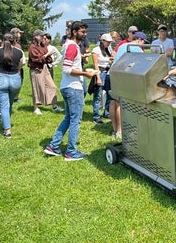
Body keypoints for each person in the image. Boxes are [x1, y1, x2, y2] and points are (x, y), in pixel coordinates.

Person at [44, 21, 99, 161]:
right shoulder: (72, 46)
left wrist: (82, 59)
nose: (85, 35)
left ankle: (53, 146)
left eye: (85, 32)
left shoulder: (70, 45)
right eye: (82, 32)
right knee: (76, 120)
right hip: (73, 88)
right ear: (74, 32)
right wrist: (85, 74)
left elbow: (70, 62)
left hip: (67, 86)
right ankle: (71, 152)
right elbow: (67, 69)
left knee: (69, 118)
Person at [110, 31, 149, 139]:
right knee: (120, 103)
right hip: (121, 77)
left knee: (113, 101)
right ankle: (120, 131)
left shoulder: (123, 45)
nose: (143, 45)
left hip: (112, 74)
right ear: (139, 40)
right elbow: (144, 65)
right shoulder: (136, 48)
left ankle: (114, 128)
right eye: (144, 42)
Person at [0, 33, 24, 138]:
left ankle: (7, 130)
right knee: (9, 103)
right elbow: (20, 65)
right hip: (15, 80)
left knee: (4, 106)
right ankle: (6, 122)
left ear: (3, 41)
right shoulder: (19, 52)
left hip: (1, 80)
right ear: (14, 41)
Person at [28, 30, 63, 115]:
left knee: (52, 87)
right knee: (37, 88)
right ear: (36, 36)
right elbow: (35, 59)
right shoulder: (32, 47)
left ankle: (54, 106)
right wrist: (47, 55)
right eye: (41, 36)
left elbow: (48, 59)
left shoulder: (43, 46)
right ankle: (36, 108)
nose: (44, 37)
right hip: (36, 69)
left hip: (44, 67)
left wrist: (48, 57)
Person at [91, 33, 113, 124]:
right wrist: (98, 77)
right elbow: (96, 65)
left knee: (109, 94)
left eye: (110, 42)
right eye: (107, 42)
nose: (108, 43)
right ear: (102, 41)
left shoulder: (108, 49)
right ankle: (96, 116)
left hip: (108, 72)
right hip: (100, 72)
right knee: (98, 95)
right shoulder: (96, 50)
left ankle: (106, 112)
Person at [10, 27, 25, 102]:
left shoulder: (18, 43)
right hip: (13, 67)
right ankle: (11, 97)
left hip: (20, 67)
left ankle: (16, 97)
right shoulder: (10, 43)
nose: (20, 35)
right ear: (14, 34)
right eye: (19, 33)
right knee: (13, 83)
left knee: (20, 82)